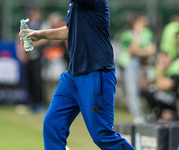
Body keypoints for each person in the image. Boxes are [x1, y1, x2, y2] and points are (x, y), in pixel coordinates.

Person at [19, 0, 135, 150]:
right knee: (52, 125)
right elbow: (71, 30)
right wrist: (39, 34)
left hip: (95, 72)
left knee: (102, 135)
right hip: (72, 75)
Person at [118, 13, 156, 123]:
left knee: (150, 86)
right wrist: (137, 36)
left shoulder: (147, 33)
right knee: (132, 89)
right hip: (130, 63)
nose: (144, 25)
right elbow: (132, 50)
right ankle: (138, 116)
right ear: (134, 23)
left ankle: (152, 113)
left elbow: (151, 49)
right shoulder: (127, 34)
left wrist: (140, 52)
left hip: (145, 62)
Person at [142, 52, 179, 121]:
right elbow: (145, 86)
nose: (160, 61)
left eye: (163, 58)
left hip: (175, 99)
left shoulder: (175, 69)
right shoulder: (165, 71)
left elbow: (161, 86)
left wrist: (159, 70)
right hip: (169, 98)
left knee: (156, 95)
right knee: (148, 94)